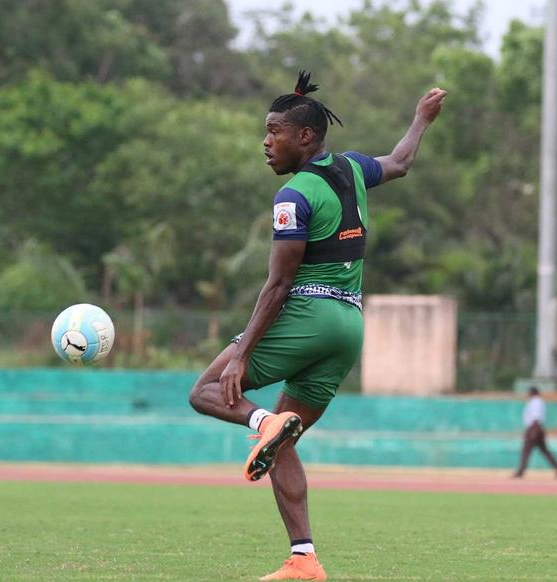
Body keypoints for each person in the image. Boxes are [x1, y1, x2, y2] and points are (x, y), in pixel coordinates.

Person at [189, 71, 445, 581]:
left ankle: (263, 422)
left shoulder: (294, 196)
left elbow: (278, 286)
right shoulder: (350, 170)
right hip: (349, 324)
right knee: (283, 445)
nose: (266, 142)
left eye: (274, 131)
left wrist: (241, 354)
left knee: (207, 391)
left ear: (305, 136)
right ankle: (303, 559)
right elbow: (400, 161)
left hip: (308, 314)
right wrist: (420, 118)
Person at [512, 386, 557, 479]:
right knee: (544, 451)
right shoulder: (536, 402)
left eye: (529, 392)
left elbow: (536, 417)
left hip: (534, 429)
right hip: (536, 429)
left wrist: (533, 431)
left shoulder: (536, 402)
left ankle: (521, 471)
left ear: (533, 393)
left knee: (526, 451)